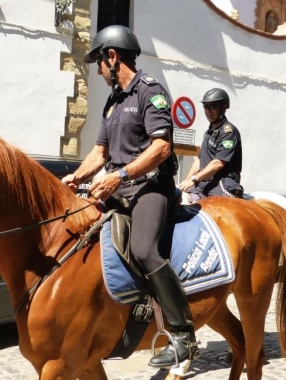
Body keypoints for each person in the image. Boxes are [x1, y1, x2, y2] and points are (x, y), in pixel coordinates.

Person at [61, 25, 198, 368]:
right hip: (120, 190)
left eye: (98, 62)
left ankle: (183, 335)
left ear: (112, 56)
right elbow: (98, 153)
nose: (97, 70)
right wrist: (76, 177)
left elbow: (162, 147)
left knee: (143, 249)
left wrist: (119, 176)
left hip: (151, 188)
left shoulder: (149, 91)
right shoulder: (113, 102)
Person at [178, 88, 243, 203]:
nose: (208, 110)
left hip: (221, 185)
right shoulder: (210, 132)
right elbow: (199, 161)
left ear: (223, 107)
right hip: (204, 184)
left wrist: (193, 179)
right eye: (205, 106)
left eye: (213, 106)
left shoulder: (228, 132)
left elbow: (218, 163)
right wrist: (186, 181)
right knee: (178, 198)